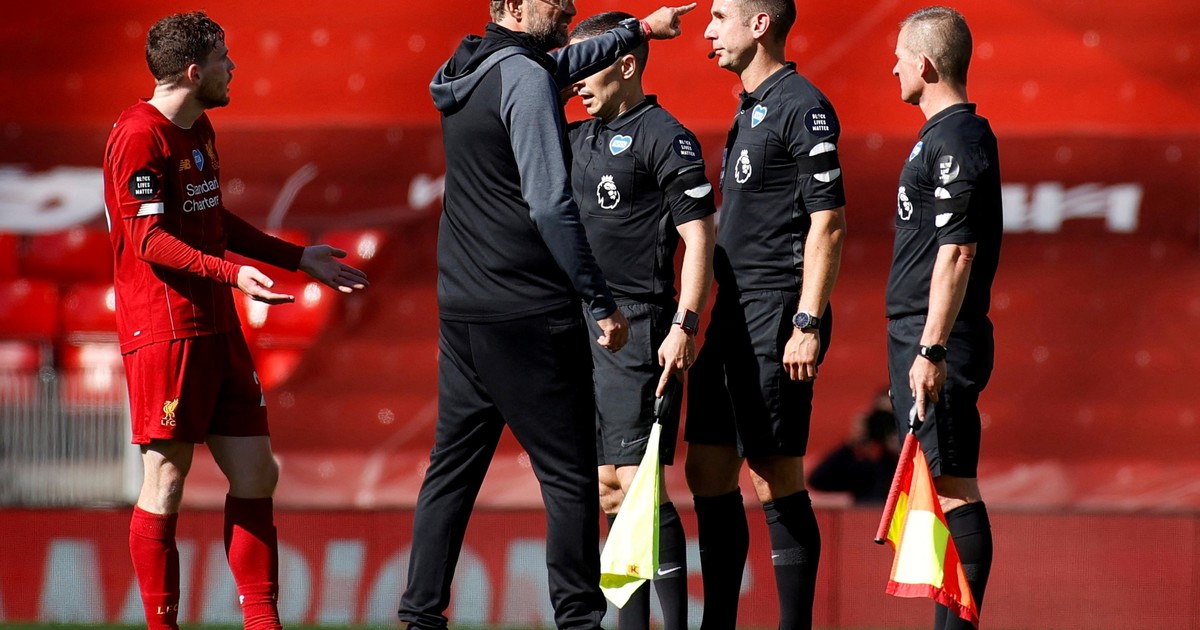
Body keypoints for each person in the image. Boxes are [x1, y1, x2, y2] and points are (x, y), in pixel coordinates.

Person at [398, 2, 697, 630]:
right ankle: (580, 622)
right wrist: (599, 300)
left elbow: (561, 63)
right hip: (528, 311)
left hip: (463, 311)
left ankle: (420, 618)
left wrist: (641, 29)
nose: (566, 6)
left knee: (450, 473)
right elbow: (551, 205)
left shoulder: (468, 70)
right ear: (512, 6)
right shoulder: (525, 77)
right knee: (568, 477)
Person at [102, 12, 369, 630]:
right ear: (195, 72)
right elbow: (148, 241)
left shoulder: (199, 127)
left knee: (256, 472)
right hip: (165, 330)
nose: (234, 68)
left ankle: (262, 624)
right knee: (166, 478)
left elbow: (212, 219)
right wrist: (232, 274)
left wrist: (295, 258)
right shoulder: (139, 136)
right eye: (225, 58)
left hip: (217, 325)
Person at [683, 0, 847, 628]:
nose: (707, 30)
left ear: (759, 25)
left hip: (777, 309)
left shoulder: (803, 104)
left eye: (719, 16)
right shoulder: (750, 106)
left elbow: (828, 223)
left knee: (773, 472)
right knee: (706, 467)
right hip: (732, 311)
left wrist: (807, 322)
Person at [566, 12, 717, 630]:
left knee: (637, 483)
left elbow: (699, 237)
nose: (575, 77)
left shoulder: (666, 136)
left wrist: (686, 323)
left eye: (588, 63)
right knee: (606, 485)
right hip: (579, 326)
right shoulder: (572, 135)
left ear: (626, 65)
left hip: (638, 324)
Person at [887, 7, 1002, 629]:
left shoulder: (958, 138)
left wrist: (931, 349)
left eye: (900, 58)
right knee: (936, 490)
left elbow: (958, 251)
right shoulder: (939, 135)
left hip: (941, 339)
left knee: (952, 488)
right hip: (920, 333)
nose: (893, 68)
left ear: (926, 64)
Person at [807, 391, 899, 504]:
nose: (888, 426)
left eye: (894, 419)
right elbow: (818, 480)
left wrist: (903, 448)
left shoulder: (916, 467)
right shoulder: (866, 470)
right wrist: (851, 444)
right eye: (882, 419)